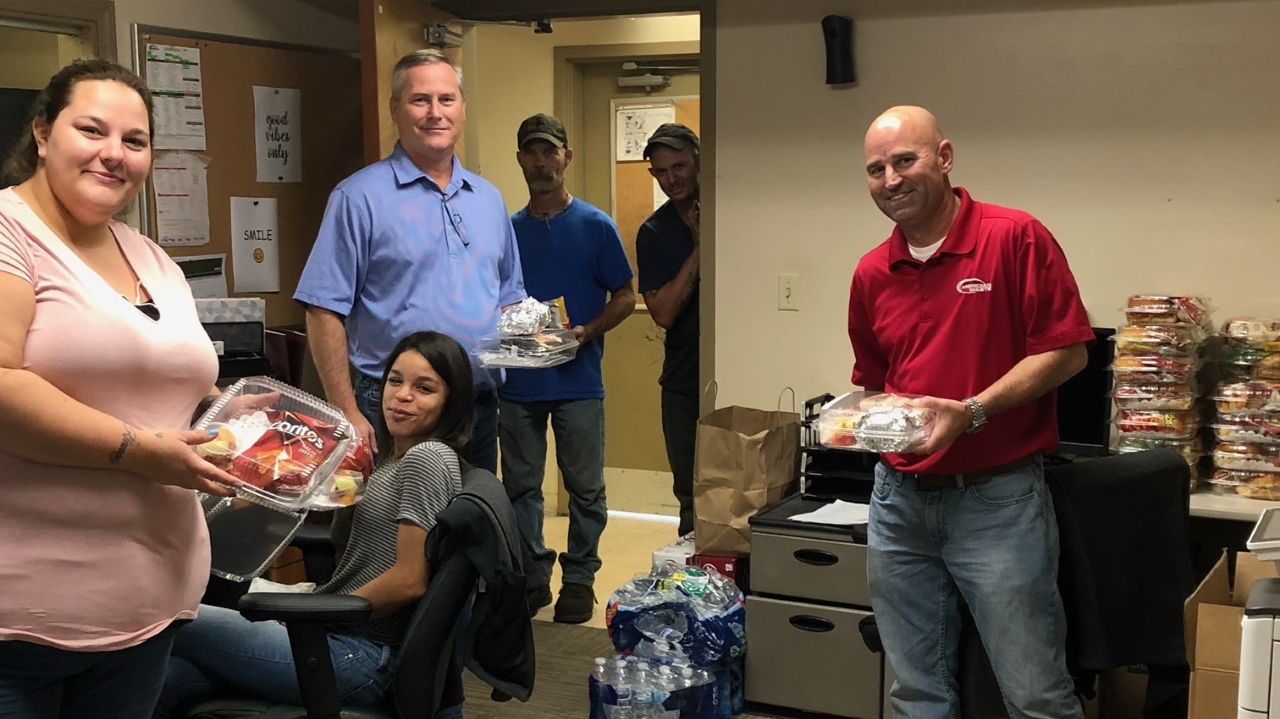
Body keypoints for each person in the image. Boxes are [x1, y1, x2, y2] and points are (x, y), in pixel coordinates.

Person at [0, 59, 244, 718]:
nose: (114, 154)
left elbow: (177, 384)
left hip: (151, 607)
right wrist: (138, 450)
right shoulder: (8, 233)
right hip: (23, 619)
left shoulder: (149, 255)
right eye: (92, 130)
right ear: (43, 132)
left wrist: (243, 428)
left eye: (134, 141)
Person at [848, 105, 1094, 719]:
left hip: (998, 502)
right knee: (915, 692)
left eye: (905, 161)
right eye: (876, 169)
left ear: (945, 157)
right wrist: (862, 422)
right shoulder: (872, 272)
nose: (891, 179)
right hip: (897, 504)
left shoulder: (1014, 237)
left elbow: (1067, 353)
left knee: (1035, 692)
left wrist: (971, 412)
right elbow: (876, 384)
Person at [156, 330, 473, 717]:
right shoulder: (395, 458)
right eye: (395, 380)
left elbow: (410, 579)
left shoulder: (428, 458)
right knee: (168, 678)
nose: (403, 395)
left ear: (451, 401)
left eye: (424, 388)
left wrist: (318, 614)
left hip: (358, 657)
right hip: (340, 640)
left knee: (166, 615)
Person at [295, 48, 525, 474]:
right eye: (420, 100)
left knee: (470, 529)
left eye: (446, 100)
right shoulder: (358, 198)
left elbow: (509, 296)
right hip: (394, 408)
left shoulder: (489, 199)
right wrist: (345, 410)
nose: (435, 113)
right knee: (392, 533)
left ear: (462, 108)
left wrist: (537, 338)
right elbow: (322, 309)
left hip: (476, 406)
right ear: (395, 109)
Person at [499, 114, 636, 624]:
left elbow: (625, 296)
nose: (540, 162)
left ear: (566, 157)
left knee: (585, 487)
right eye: (531, 153)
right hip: (517, 383)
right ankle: (533, 579)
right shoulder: (507, 231)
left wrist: (588, 331)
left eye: (549, 152)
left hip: (578, 381)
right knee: (520, 488)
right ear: (520, 160)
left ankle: (579, 580)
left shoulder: (595, 226)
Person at [635, 123, 701, 537]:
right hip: (682, 380)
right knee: (690, 495)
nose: (672, 179)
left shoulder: (733, 208)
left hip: (738, 373)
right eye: (661, 171)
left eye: (679, 166)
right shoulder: (654, 232)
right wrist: (698, 248)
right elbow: (662, 313)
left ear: (698, 159)